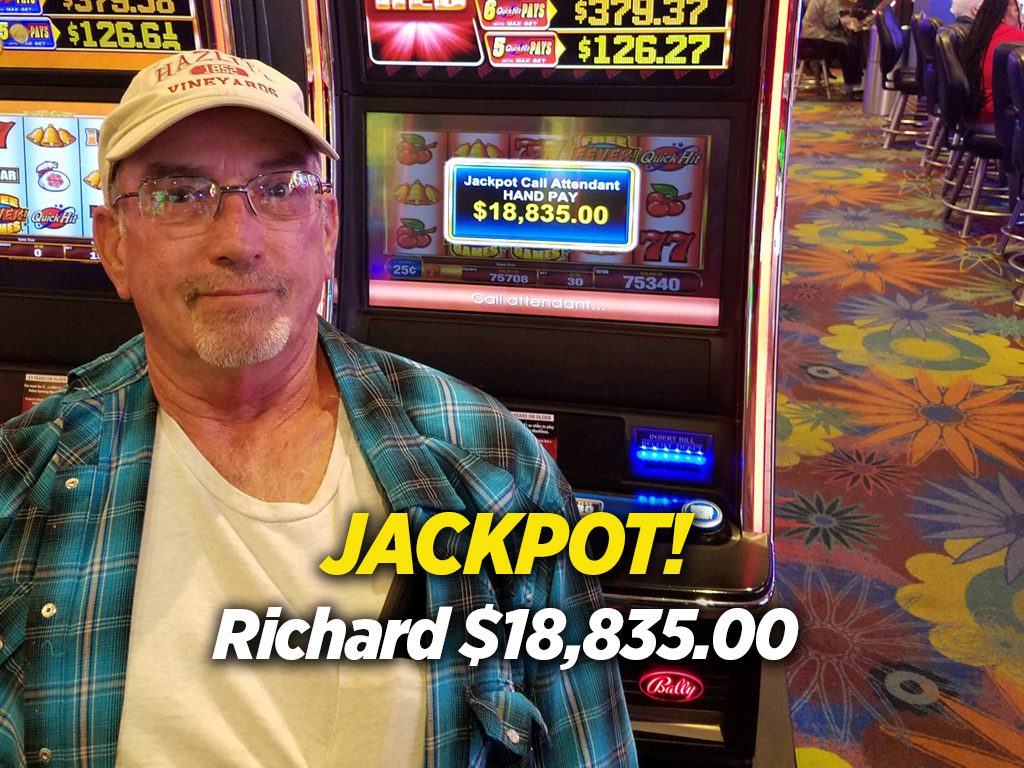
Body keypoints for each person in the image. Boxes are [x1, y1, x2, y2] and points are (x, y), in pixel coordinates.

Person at [0, 51, 637, 767]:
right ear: (113, 244)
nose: (238, 242)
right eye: (180, 195)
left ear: (327, 228)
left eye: (278, 188)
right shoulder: (23, 481)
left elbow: (588, 749)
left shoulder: (488, 462)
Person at [962, 0, 1024, 124]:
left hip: (976, 113)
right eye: (1017, 11)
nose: (1020, 17)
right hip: (1002, 120)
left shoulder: (982, 34)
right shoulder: (1016, 38)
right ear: (1004, 13)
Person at [801, 0, 865, 98]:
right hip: (819, 38)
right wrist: (845, 20)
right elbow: (830, 23)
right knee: (850, 48)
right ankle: (852, 86)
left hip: (808, 37)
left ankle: (853, 84)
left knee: (848, 44)